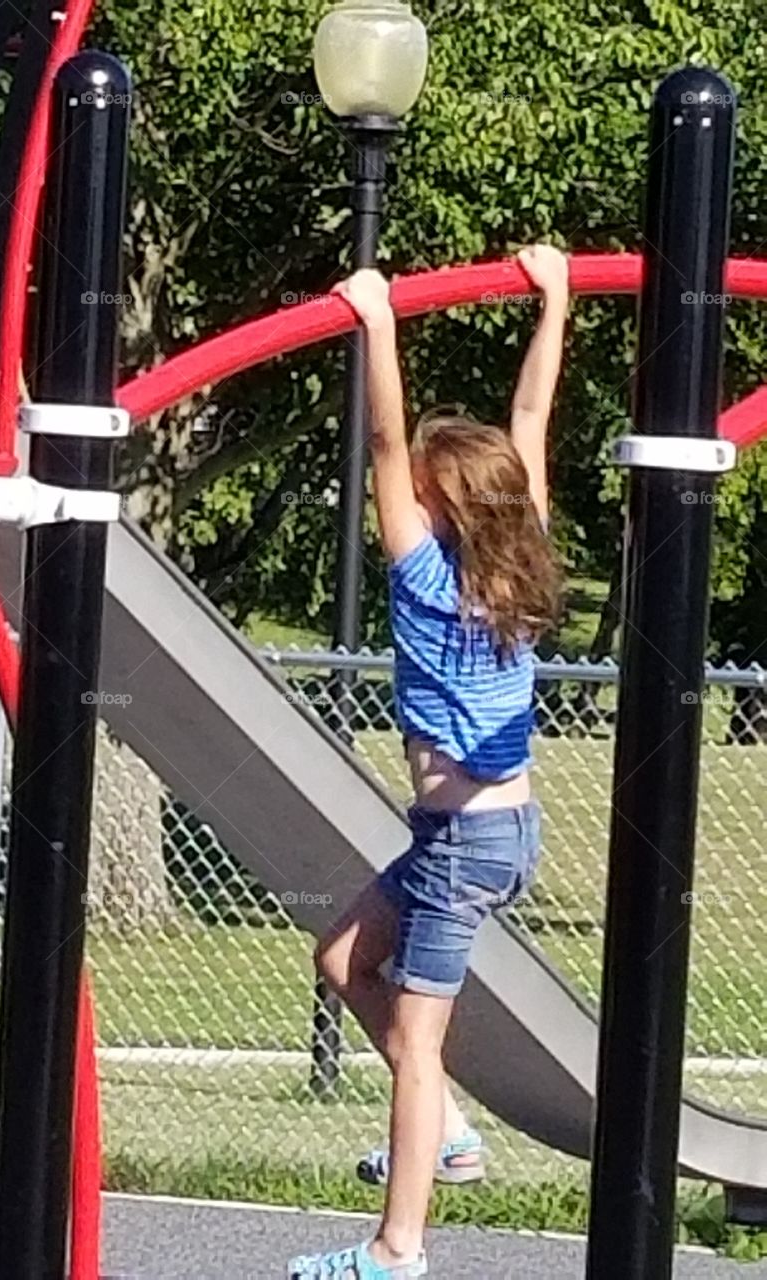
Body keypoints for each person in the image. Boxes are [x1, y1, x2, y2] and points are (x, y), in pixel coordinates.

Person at [287, 246, 569, 1280]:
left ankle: (398, 1246)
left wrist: (378, 321)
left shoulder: (421, 577)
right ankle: (443, 1131)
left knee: (417, 1045)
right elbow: (531, 423)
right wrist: (559, 300)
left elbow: (383, 435)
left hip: (464, 842)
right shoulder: (522, 551)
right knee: (343, 957)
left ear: (442, 506)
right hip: (489, 830)